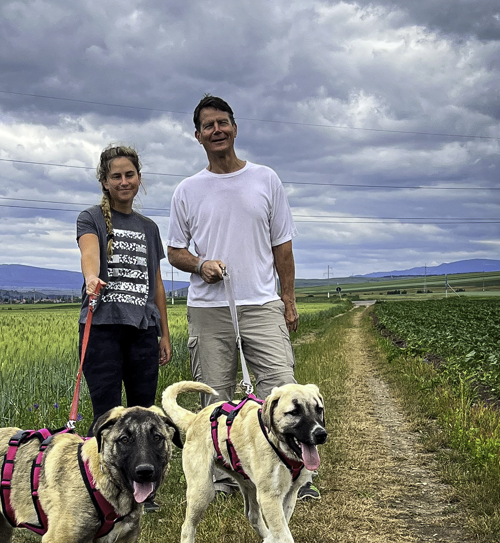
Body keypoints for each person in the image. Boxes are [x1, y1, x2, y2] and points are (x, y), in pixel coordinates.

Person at [166, 94, 319, 500]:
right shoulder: (187, 190)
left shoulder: (265, 179)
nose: (216, 130)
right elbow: (175, 251)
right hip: (208, 309)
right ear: (198, 136)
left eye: (223, 123)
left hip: (262, 303)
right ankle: (220, 481)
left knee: (283, 391)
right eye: (208, 125)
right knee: (214, 399)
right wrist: (200, 265)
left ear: (235, 128)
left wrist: (288, 300)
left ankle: (296, 478)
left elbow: (283, 248)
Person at [77, 145, 172, 509]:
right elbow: (89, 253)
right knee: (107, 415)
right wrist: (92, 278)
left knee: (144, 415)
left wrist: (163, 332)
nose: (123, 181)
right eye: (115, 176)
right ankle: (99, 489)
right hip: (102, 327)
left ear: (139, 178)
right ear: (104, 182)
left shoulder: (149, 228)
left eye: (129, 175)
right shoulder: (91, 218)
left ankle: (143, 491)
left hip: (143, 330)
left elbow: (156, 283)